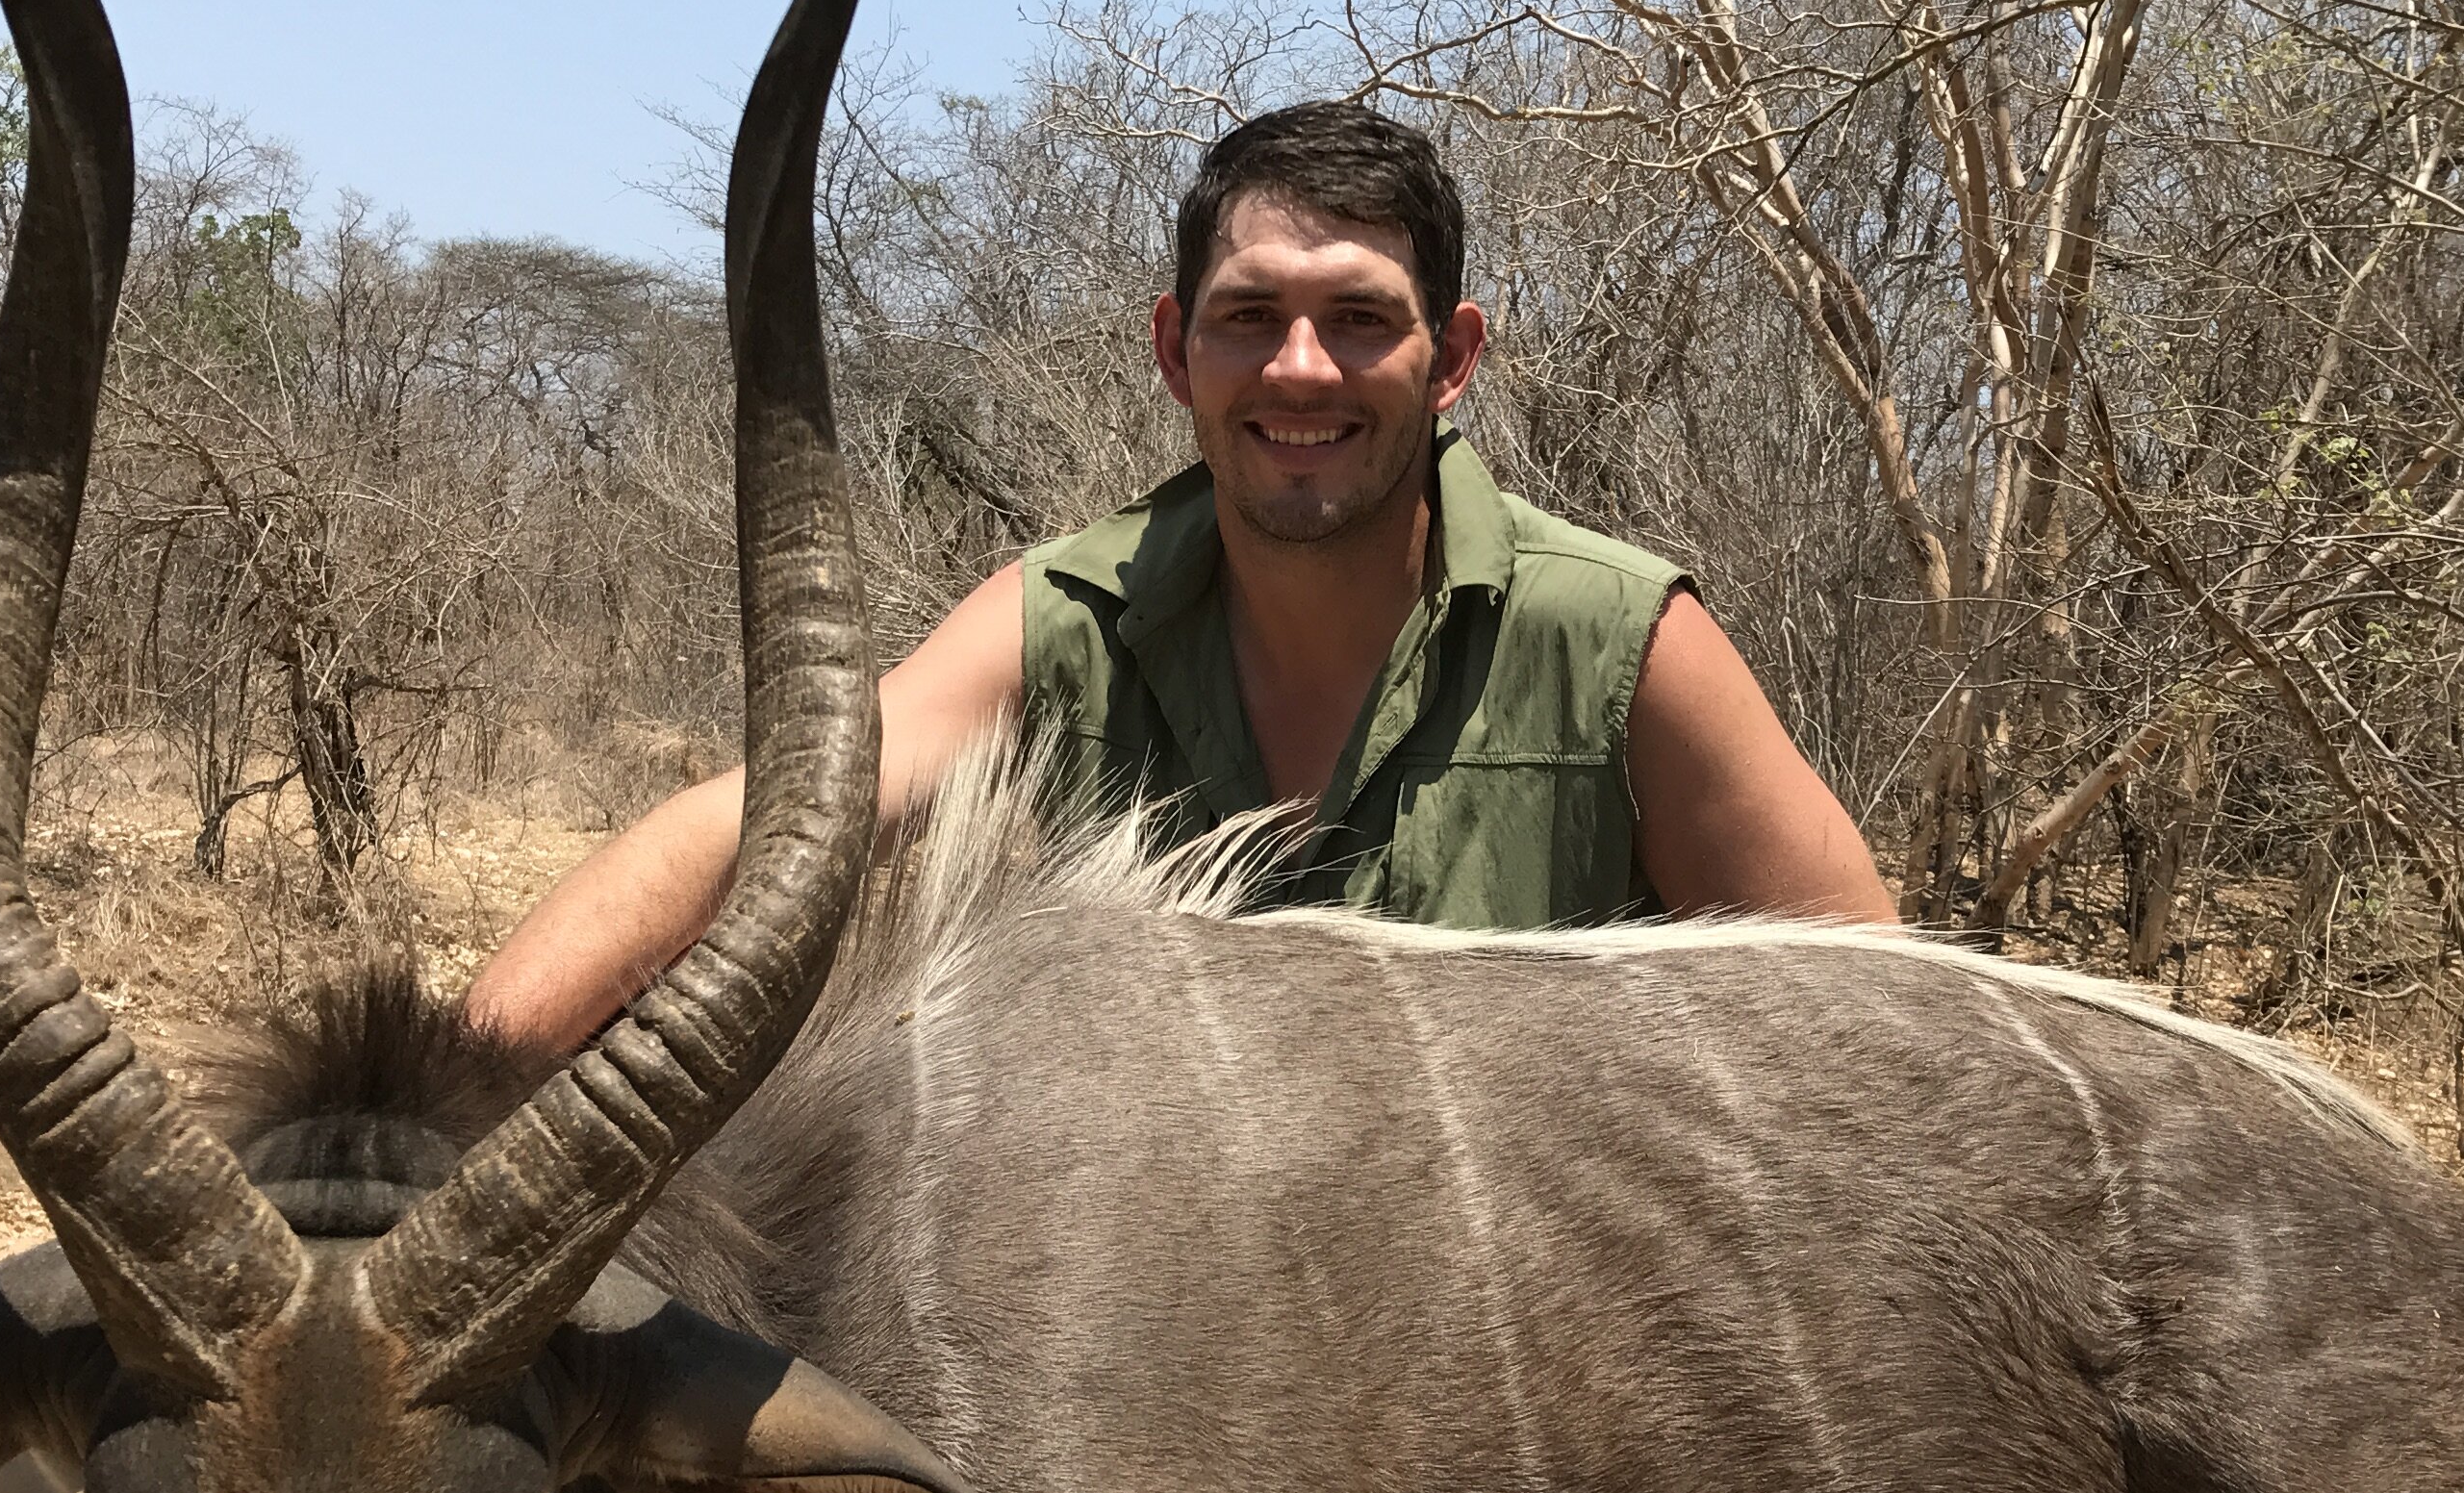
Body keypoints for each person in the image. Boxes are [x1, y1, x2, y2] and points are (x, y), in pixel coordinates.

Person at [467, 102, 1890, 1055]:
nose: (1300, 369)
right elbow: (790, 811)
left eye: (1360, 322)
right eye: (1250, 317)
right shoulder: (1065, 621)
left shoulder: (1621, 640)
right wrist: (450, 1102)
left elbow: (1879, 1023)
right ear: (1173, 352)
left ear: (1451, 361)